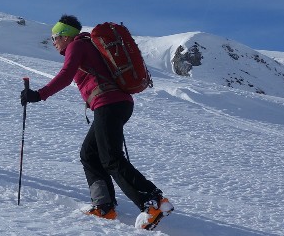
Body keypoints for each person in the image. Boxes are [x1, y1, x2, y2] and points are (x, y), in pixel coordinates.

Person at [20, 15, 173, 230]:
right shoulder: (88, 45)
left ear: (65, 36)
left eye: (55, 37)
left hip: (108, 104)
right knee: (90, 154)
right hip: (116, 103)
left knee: (111, 158)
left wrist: (38, 94)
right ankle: (104, 206)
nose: (53, 42)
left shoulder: (77, 46)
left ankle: (154, 202)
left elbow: (65, 76)